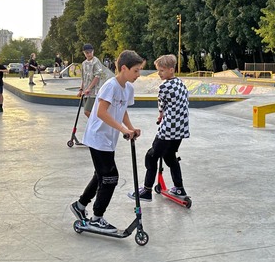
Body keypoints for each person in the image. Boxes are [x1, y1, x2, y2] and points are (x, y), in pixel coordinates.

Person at [69, 50, 145, 233]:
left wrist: (131, 128)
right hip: (98, 137)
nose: (138, 75)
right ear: (124, 68)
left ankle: (80, 205)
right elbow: (101, 112)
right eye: (136, 70)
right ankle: (97, 218)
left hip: (109, 138)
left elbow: (122, 109)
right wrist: (123, 130)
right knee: (110, 178)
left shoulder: (128, 88)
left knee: (100, 175)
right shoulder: (110, 86)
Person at [128, 54, 190, 202]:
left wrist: (160, 116)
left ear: (171, 70)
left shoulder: (164, 86)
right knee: (170, 156)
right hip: (181, 129)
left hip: (168, 129)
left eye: (162, 70)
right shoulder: (181, 83)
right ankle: (179, 188)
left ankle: (146, 190)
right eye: (158, 70)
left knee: (152, 156)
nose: (159, 74)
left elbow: (161, 105)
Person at [78, 43, 107, 117]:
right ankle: (94, 123)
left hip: (94, 92)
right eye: (87, 52)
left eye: (90, 52)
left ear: (93, 51)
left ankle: (97, 122)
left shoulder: (96, 62)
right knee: (89, 111)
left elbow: (97, 76)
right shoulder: (84, 63)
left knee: (87, 111)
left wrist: (89, 88)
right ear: (84, 53)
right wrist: (81, 89)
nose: (89, 54)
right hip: (86, 92)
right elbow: (83, 78)